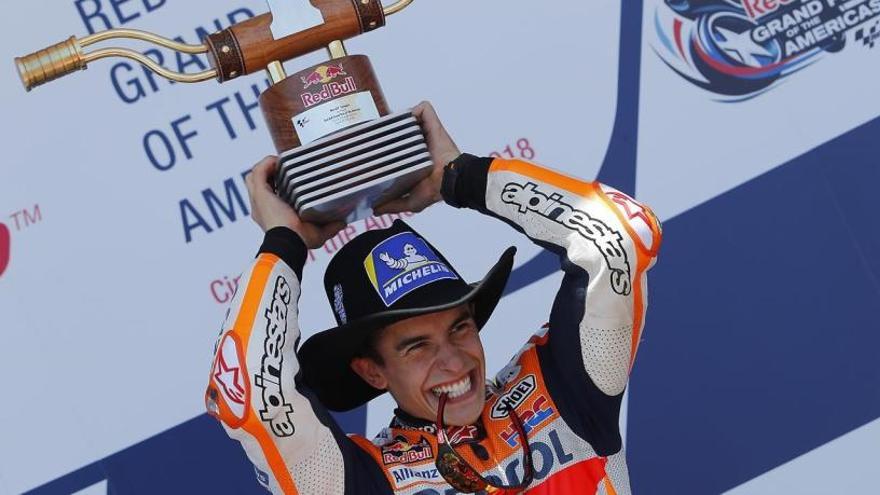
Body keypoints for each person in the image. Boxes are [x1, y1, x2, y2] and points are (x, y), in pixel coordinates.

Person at [205, 102, 663, 494]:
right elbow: (248, 391)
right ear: (371, 370)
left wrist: (462, 178)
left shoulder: (561, 394)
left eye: (458, 327)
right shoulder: (366, 481)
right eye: (416, 345)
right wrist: (284, 244)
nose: (452, 361)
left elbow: (620, 239)